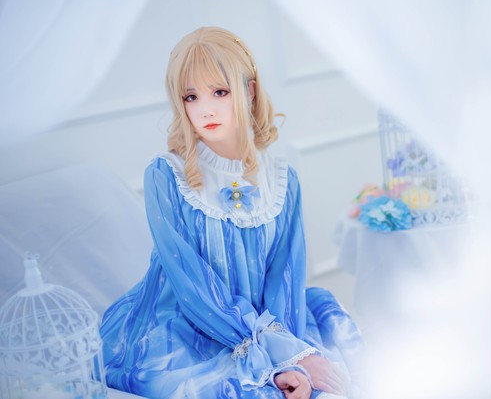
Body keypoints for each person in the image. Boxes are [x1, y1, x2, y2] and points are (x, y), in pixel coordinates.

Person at [100, 27, 364, 399]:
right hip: (190, 327)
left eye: (220, 92)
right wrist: (272, 357)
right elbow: (192, 284)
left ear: (250, 90)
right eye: (191, 96)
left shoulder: (281, 180)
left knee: (343, 372)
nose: (205, 109)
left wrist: (291, 354)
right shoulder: (166, 175)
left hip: (272, 326)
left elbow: (285, 279)